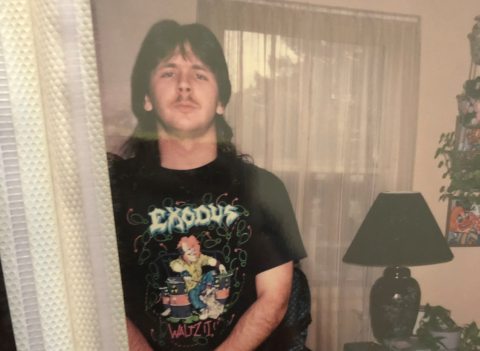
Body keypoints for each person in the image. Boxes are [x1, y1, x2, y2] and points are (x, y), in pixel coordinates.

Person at [109, 19, 307, 351]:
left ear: (220, 102)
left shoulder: (265, 189)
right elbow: (101, 294)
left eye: (200, 74)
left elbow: (274, 300)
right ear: (146, 98)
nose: (184, 84)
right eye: (168, 72)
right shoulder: (112, 190)